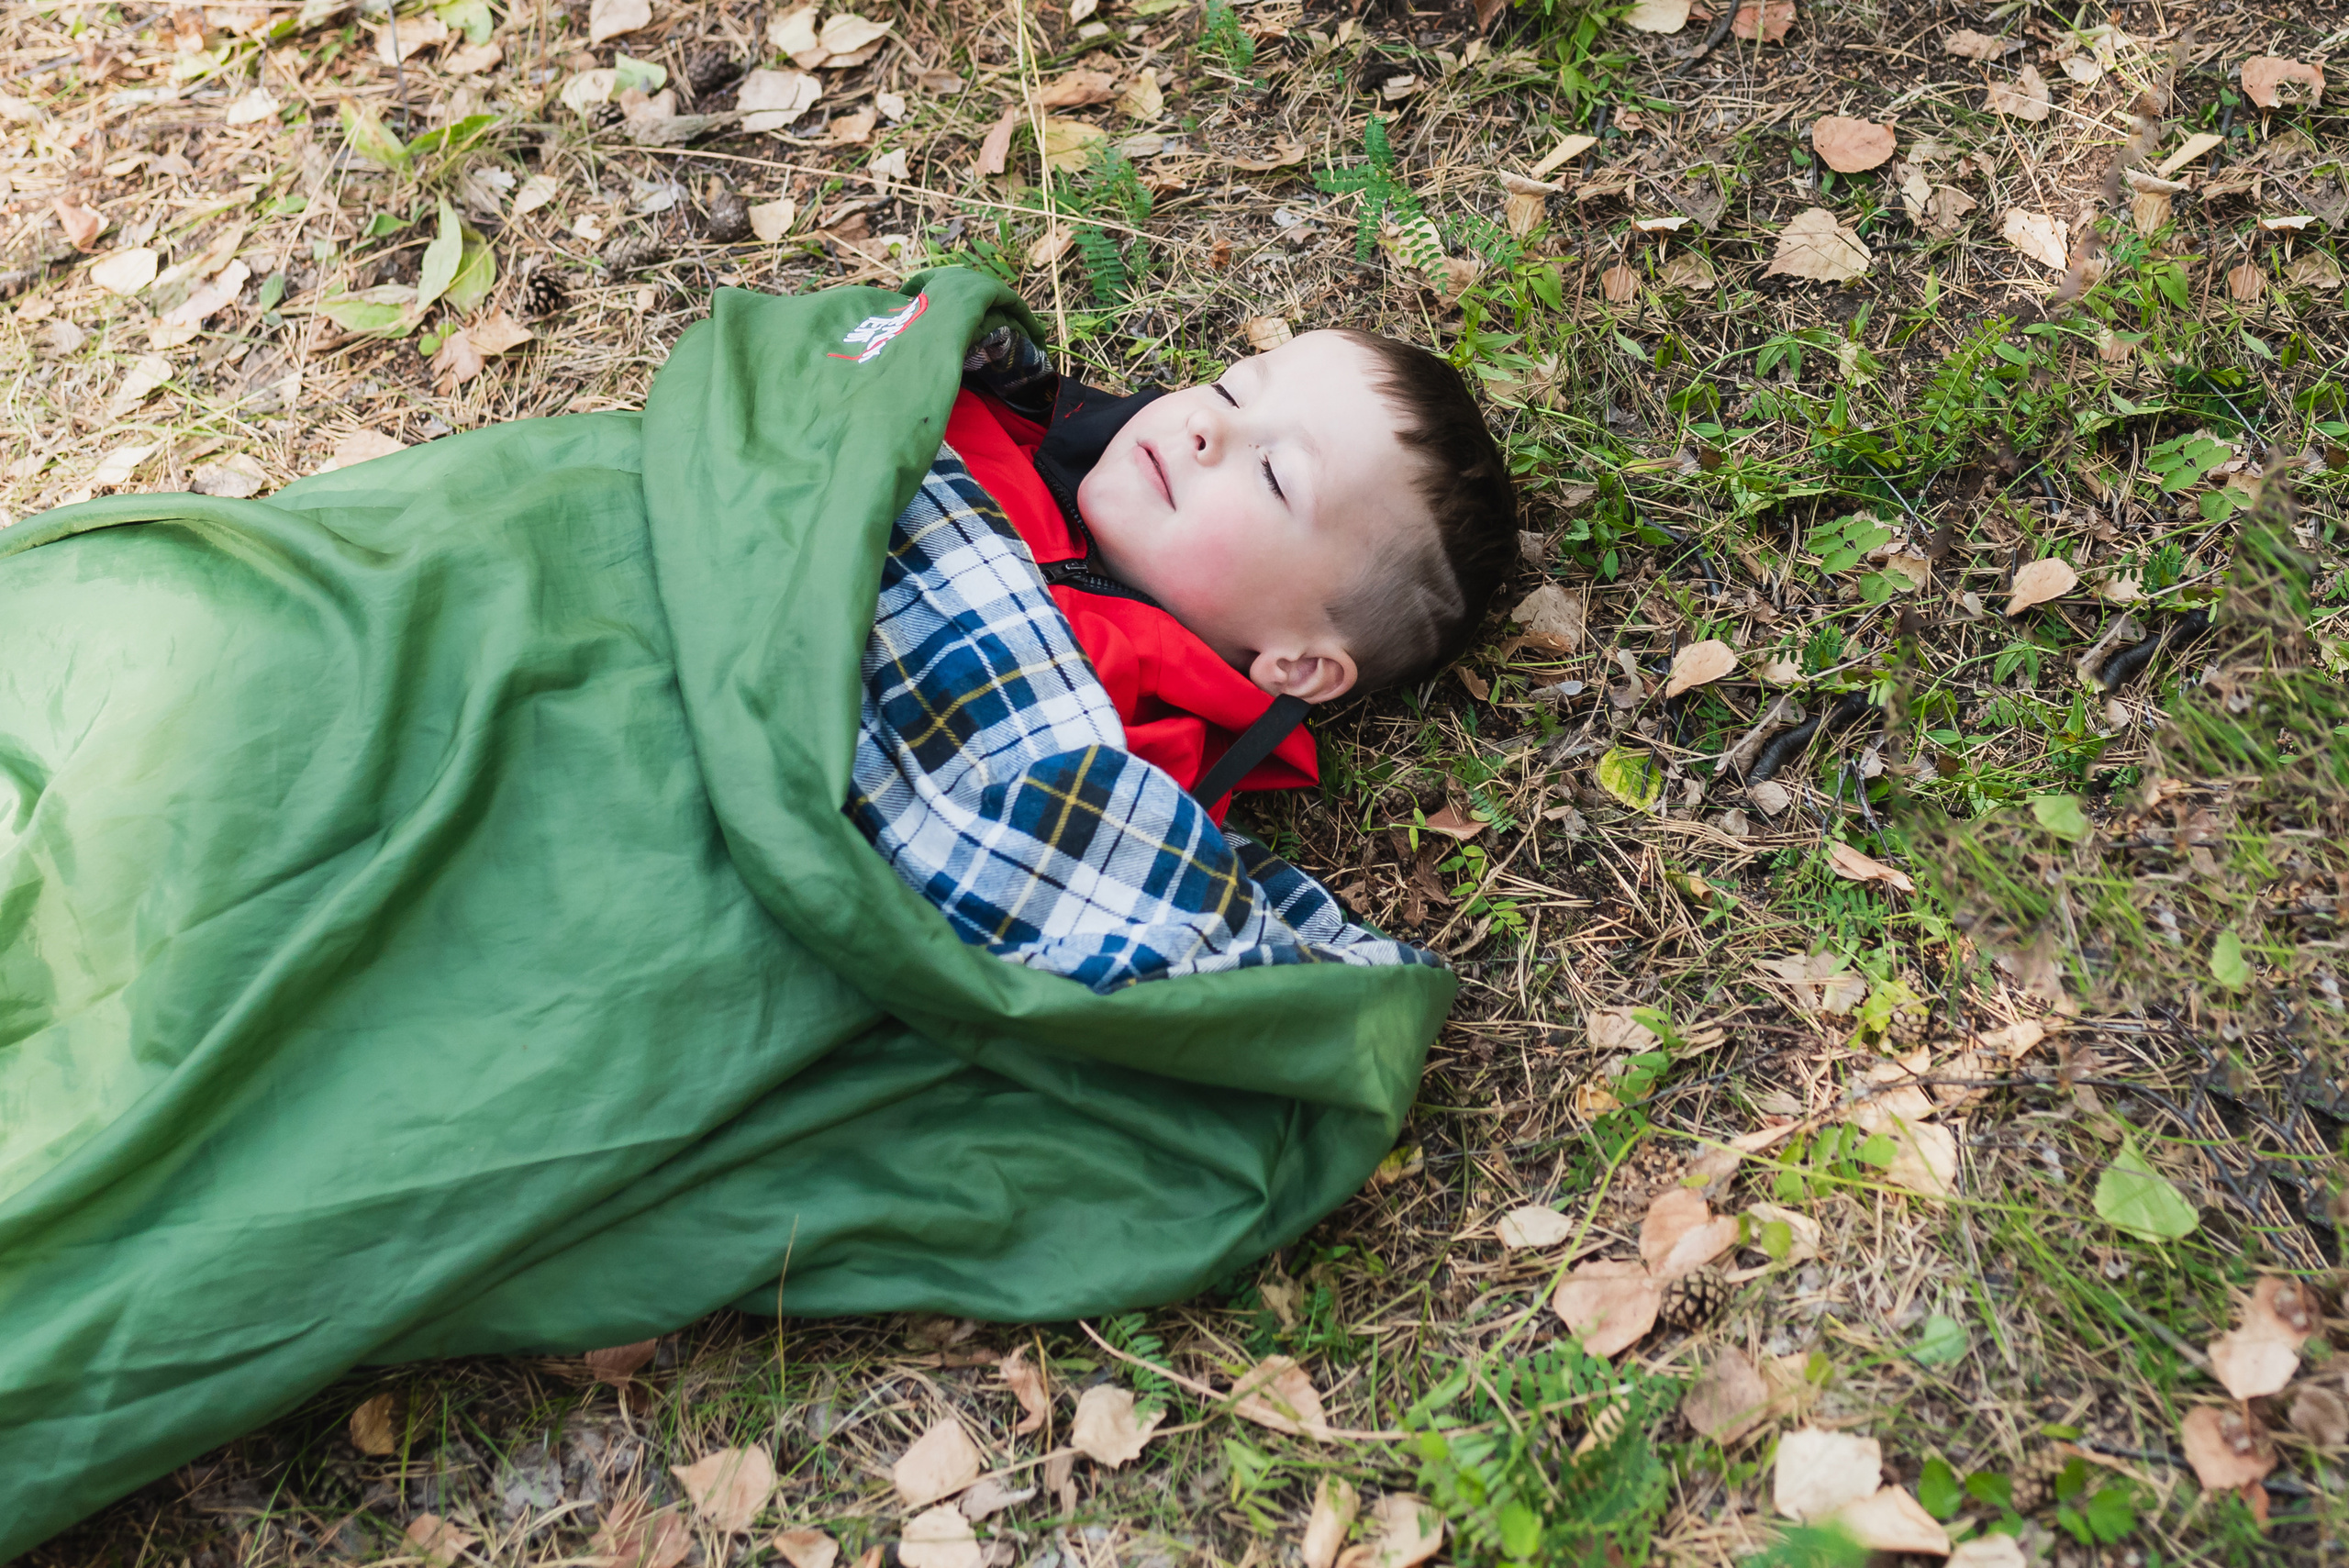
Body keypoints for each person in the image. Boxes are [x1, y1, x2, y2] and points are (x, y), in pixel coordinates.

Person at [945, 321, 1520, 816]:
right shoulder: (991, 405)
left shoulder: (1111, 741)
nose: (1207, 423)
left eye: (1275, 475)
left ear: (1298, 667)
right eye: (1228, 393)